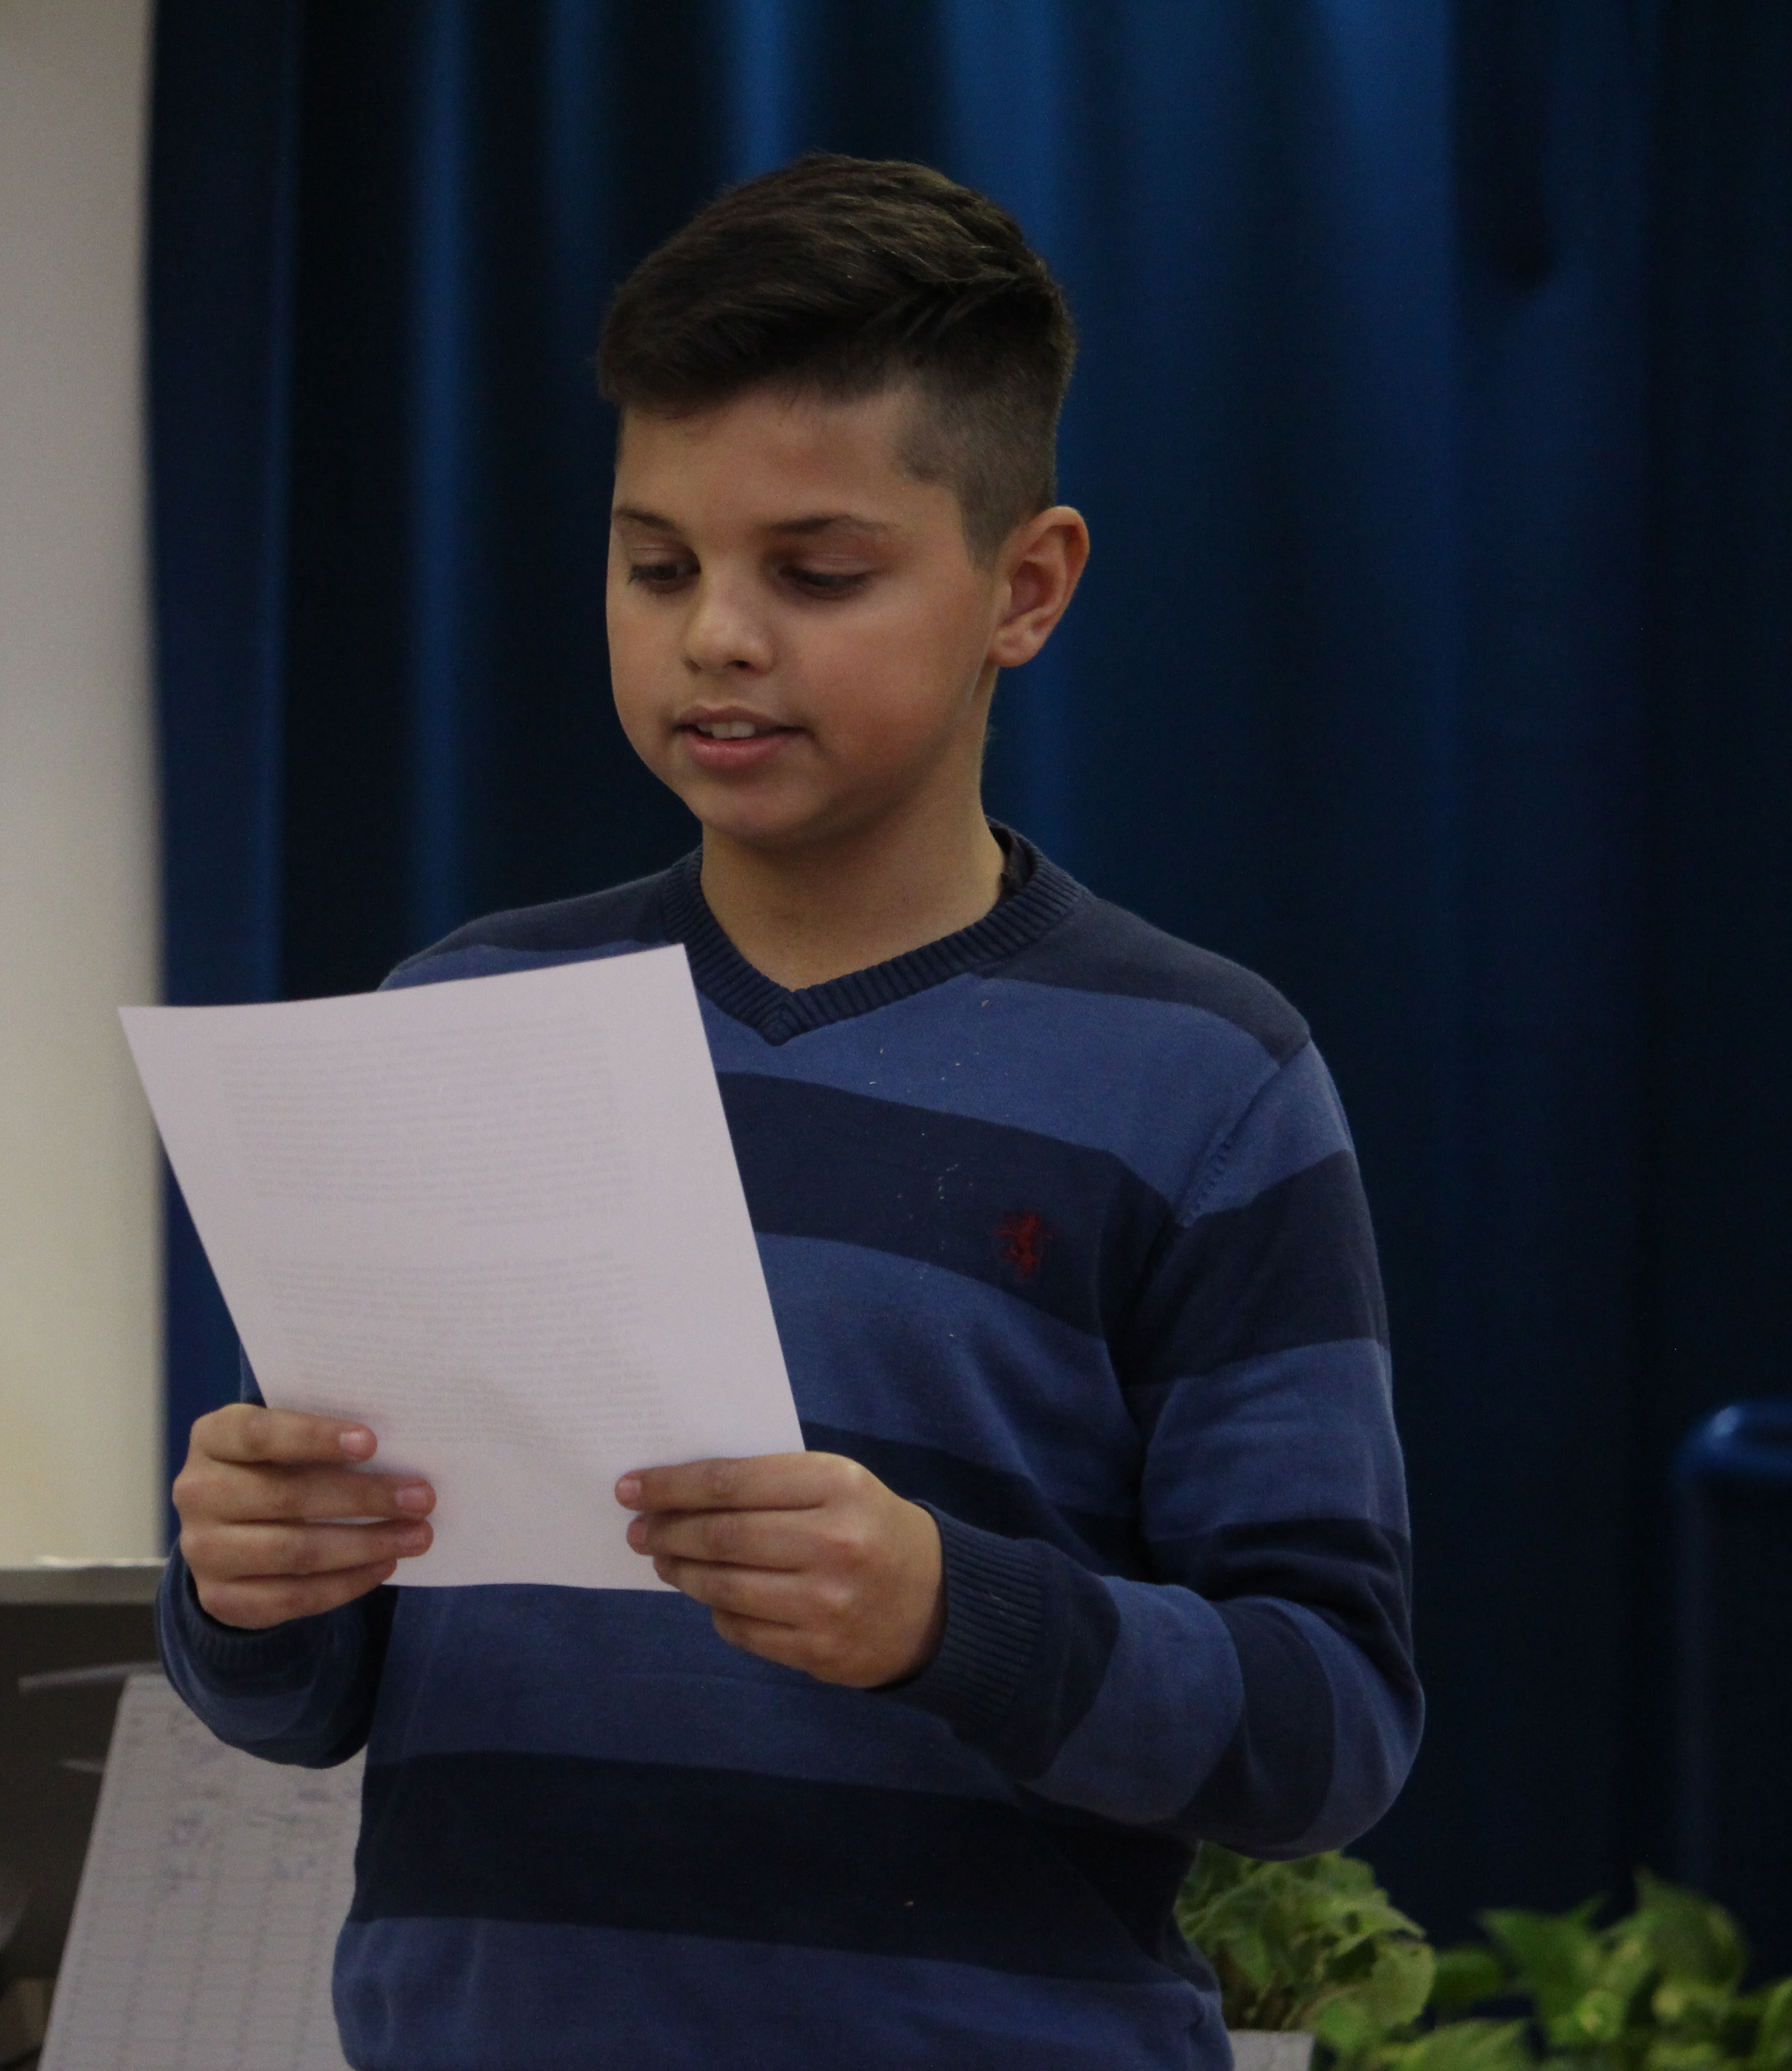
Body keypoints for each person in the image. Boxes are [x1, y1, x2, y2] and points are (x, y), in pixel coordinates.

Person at [157, 154, 1419, 2069]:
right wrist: (249, 1587)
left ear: (1026, 587)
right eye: (656, 565)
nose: (717, 637)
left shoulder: (1205, 1078)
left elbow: (1329, 1730)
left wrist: (947, 1613)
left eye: (816, 574)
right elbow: (297, 1699)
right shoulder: (456, 1026)